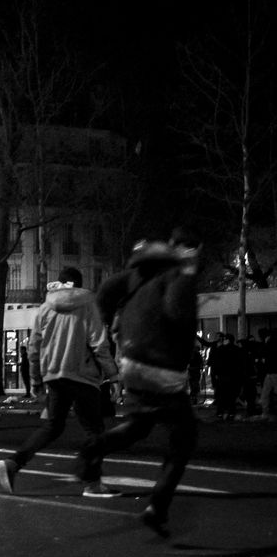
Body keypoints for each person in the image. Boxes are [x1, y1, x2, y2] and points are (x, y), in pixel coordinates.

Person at [80, 228, 202, 537]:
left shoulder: (142, 271)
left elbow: (107, 288)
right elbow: (176, 311)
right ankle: (157, 507)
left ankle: (95, 446)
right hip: (161, 362)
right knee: (184, 439)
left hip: (131, 359)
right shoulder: (179, 271)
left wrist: (110, 325)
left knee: (139, 424)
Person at [0, 267, 119, 498]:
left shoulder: (45, 307)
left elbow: (34, 347)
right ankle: (92, 483)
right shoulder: (88, 304)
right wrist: (113, 375)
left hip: (54, 375)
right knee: (94, 430)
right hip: (83, 376)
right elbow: (98, 342)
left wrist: (36, 379)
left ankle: (14, 462)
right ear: (78, 285)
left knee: (53, 426)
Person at [207, 333, 245, 421]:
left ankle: (220, 412)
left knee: (221, 395)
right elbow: (241, 363)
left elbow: (216, 362)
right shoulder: (237, 349)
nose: (223, 340)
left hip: (222, 375)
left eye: (224, 339)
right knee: (232, 395)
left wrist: (215, 373)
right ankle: (231, 412)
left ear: (227, 340)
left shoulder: (221, 349)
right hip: (233, 375)